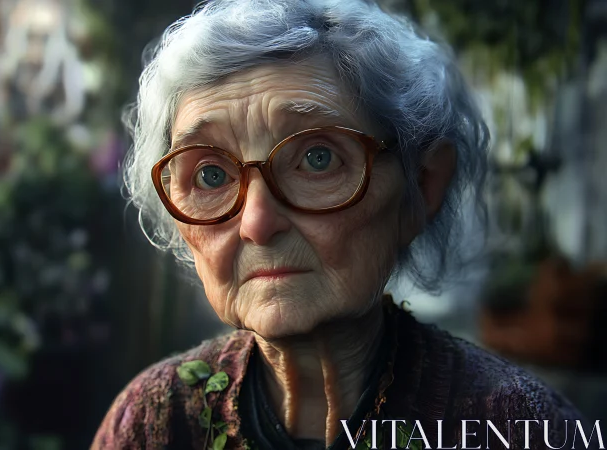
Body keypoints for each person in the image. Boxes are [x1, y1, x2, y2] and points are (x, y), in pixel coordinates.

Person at [92, 0, 585, 448]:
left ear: (422, 187)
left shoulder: (519, 426)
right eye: (211, 174)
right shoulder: (154, 422)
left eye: (318, 158)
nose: (257, 223)